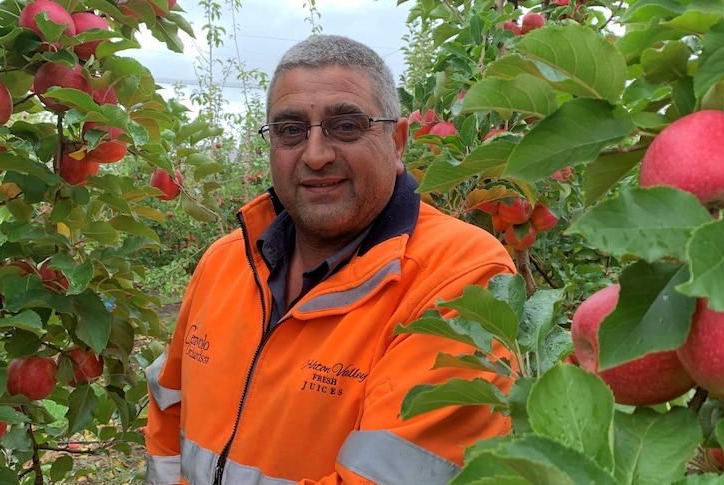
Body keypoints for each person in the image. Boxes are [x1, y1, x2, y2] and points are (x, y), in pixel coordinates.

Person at [145, 34, 517, 485]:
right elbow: (170, 416)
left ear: (397, 143)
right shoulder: (223, 263)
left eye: (346, 126)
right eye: (290, 131)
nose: (316, 155)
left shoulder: (461, 275)